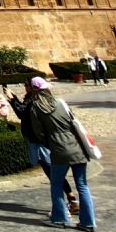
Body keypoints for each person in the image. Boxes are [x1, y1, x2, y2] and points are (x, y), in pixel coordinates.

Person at [25, 77, 97, 231]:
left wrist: (51, 143)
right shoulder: (61, 102)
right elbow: (72, 121)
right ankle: (88, 223)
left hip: (58, 149)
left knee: (56, 184)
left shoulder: (35, 108)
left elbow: (39, 133)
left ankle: (60, 219)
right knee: (83, 186)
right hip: (77, 146)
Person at [6, 82, 78, 216]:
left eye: (27, 85)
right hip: (49, 143)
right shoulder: (42, 100)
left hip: (40, 143)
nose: (25, 87)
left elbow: (23, 113)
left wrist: (12, 99)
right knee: (54, 173)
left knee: (52, 173)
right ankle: (71, 200)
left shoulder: (35, 101)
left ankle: (63, 209)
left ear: (34, 88)